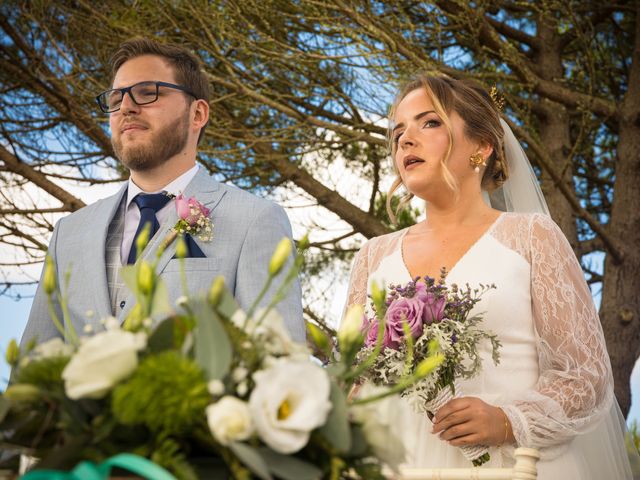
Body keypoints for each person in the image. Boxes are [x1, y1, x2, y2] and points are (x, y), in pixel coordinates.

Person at [344, 74, 634, 478]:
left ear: (482, 147)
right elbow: (349, 379)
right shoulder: (372, 256)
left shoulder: (531, 237)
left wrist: (507, 420)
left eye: (429, 123)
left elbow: (585, 376)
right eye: (397, 133)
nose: (405, 140)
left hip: (513, 467)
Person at [21, 38, 305, 346]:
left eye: (148, 93)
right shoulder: (69, 233)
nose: (126, 107)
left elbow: (279, 364)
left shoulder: (255, 221)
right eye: (116, 99)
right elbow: (32, 369)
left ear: (197, 114)